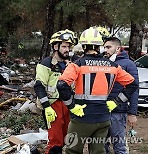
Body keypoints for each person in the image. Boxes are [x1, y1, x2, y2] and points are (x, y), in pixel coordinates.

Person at [56, 26, 139, 154]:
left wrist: (71, 106)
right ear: (99, 46)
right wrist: (116, 102)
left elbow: (61, 85)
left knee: (72, 150)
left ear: (84, 46)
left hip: (82, 118)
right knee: (98, 151)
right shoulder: (113, 66)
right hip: (103, 118)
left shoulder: (77, 64)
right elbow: (132, 84)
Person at [34, 29, 78, 154]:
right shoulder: (46, 63)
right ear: (55, 46)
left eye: (68, 46)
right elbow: (39, 86)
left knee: (66, 138)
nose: (67, 49)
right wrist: (46, 107)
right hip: (53, 105)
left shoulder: (71, 64)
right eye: (64, 46)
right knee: (55, 142)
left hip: (68, 104)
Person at [103, 37, 139, 154]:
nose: (105, 50)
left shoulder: (128, 64)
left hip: (118, 112)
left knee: (119, 146)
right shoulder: (103, 63)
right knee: (101, 145)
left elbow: (134, 89)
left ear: (118, 48)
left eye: (108, 47)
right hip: (102, 111)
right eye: (104, 47)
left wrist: (132, 112)